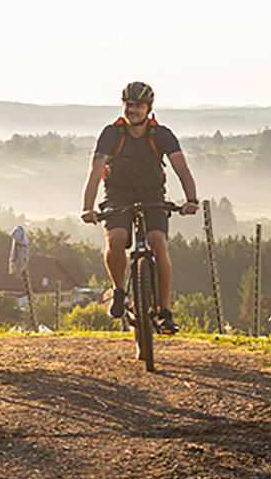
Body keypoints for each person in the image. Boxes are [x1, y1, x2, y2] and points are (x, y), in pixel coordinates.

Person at [81, 81, 199, 335]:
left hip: (152, 194)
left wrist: (192, 199)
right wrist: (87, 207)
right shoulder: (111, 134)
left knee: (158, 242)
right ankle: (119, 291)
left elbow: (182, 169)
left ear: (149, 108)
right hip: (118, 195)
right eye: (128, 105)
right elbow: (96, 171)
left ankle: (164, 311)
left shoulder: (162, 135)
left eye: (138, 105)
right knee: (118, 238)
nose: (132, 110)